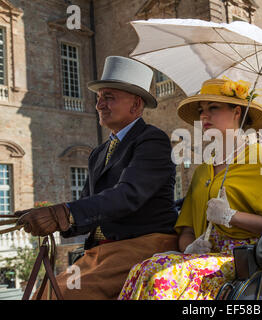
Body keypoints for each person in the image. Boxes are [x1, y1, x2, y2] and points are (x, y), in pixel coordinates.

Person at [15, 56, 179, 299]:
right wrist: (53, 220)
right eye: (99, 98)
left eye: (109, 97)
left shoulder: (152, 140)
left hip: (145, 246)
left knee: (62, 296)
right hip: (102, 254)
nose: (99, 105)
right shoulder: (99, 153)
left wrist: (64, 212)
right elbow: (88, 211)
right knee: (43, 294)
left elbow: (127, 196)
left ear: (135, 105)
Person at [119, 78, 262, 300]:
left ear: (237, 113)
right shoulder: (203, 170)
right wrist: (190, 247)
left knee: (164, 278)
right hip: (207, 258)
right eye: (202, 110)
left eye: (213, 108)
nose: (203, 116)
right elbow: (186, 229)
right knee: (144, 268)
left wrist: (231, 216)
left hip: (248, 263)